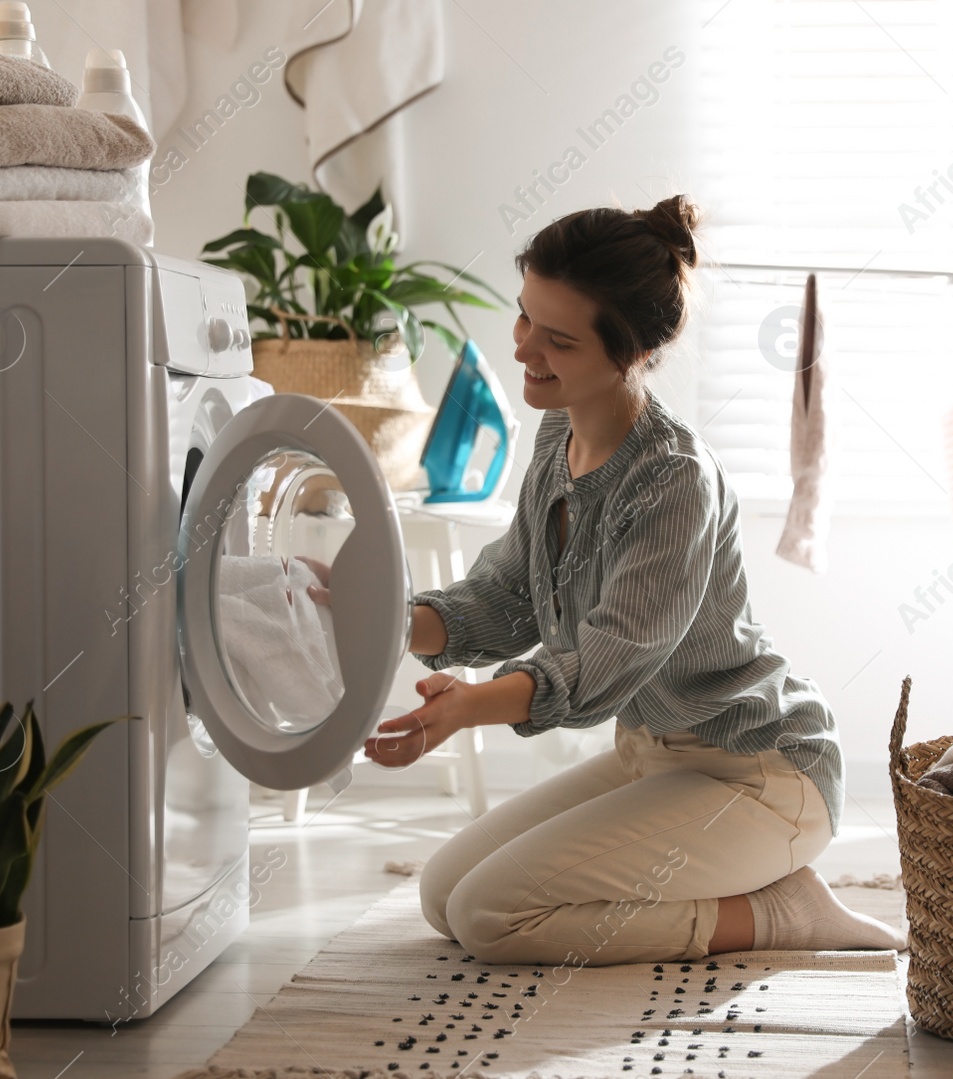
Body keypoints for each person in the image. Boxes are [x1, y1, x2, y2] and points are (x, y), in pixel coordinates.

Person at [362, 194, 904, 967]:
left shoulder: (674, 479)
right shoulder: (559, 430)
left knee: (491, 915)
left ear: (630, 353)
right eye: (524, 318)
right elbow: (509, 595)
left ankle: (780, 908)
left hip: (761, 773)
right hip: (655, 755)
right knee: (444, 894)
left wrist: (468, 706)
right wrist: (380, 617)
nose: (525, 351)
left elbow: (605, 664)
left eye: (559, 340)